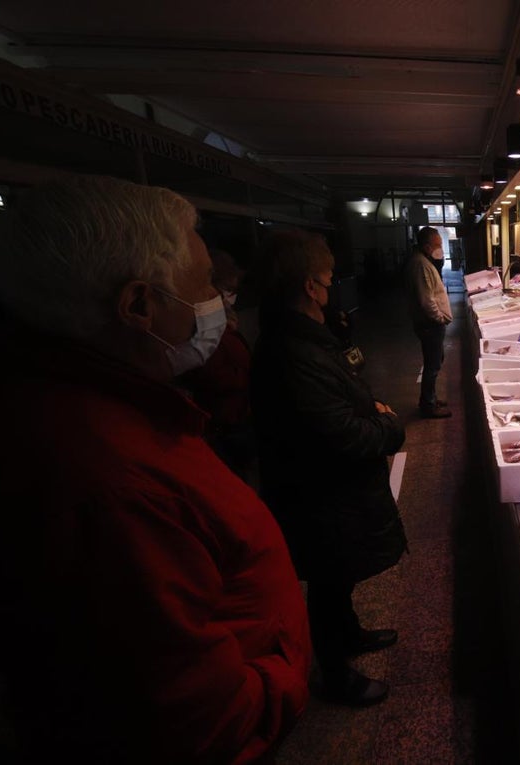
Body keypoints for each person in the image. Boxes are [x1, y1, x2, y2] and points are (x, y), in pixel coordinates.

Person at [0, 174, 310, 763]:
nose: (218, 300)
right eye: (205, 282)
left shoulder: (93, 402)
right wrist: (280, 678)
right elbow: (189, 714)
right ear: (137, 305)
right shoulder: (104, 478)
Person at [251, 229, 406, 708]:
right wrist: (388, 429)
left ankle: (351, 633)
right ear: (308, 286)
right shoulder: (290, 353)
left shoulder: (307, 338)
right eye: (328, 277)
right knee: (327, 579)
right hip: (321, 496)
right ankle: (336, 675)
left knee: (338, 580)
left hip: (331, 495)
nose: (334, 284)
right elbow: (340, 435)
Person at [180, 247, 256, 482]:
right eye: (226, 289)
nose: (227, 295)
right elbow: (207, 373)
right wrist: (250, 376)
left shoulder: (225, 321)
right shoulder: (198, 329)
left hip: (236, 415)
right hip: (224, 421)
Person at [405, 226, 453, 418]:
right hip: (430, 324)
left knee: (435, 360)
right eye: (437, 245)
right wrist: (439, 318)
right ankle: (428, 405)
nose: (440, 248)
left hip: (429, 324)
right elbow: (426, 300)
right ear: (426, 246)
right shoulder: (421, 265)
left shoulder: (424, 261)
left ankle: (430, 397)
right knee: (432, 364)